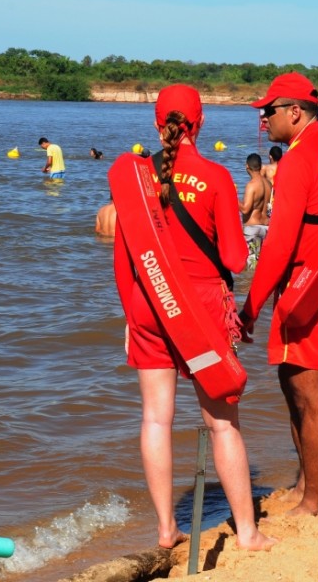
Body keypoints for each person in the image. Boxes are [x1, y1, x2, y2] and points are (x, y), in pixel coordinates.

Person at [112, 84, 273, 551]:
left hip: (148, 303)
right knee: (222, 423)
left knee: (155, 420)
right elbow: (235, 258)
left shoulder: (137, 177)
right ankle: (247, 532)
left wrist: (132, 316)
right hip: (200, 310)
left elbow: (123, 261)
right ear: (200, 123)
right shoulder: (216, 176)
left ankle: (166, 529)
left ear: (156, 123)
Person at [239, 72, 318, 517]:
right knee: (294, 386)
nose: (263, 119)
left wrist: (250, 307)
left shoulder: (297, 161)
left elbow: (279, 245)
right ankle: (307, 483)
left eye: (268, 111)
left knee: (310, 393)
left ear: (294, 112)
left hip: (307, 284)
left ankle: (313, 501)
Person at [240, 153, 271, 266]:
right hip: (266, 228)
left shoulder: (251, 185)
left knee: (251, 267)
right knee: (262, 265)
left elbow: (245, 209)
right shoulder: (268, 184)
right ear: (260, 166)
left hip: (252, 229)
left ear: (247, 166)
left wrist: (232, 195)